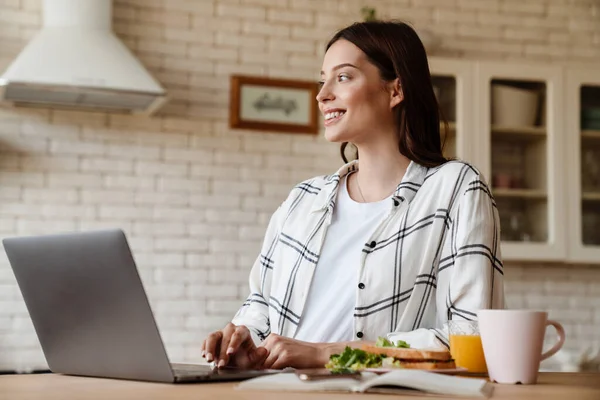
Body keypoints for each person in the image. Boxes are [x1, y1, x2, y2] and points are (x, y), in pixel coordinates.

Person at [201, 20, 504, 370]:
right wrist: (242, 340)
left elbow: (474, 333)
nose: (322, 94)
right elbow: (260, 307)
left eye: (343, 77)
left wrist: (327, 354)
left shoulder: (455, 189)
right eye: (322, 79)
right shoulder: (303, 200)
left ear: (395, 91)